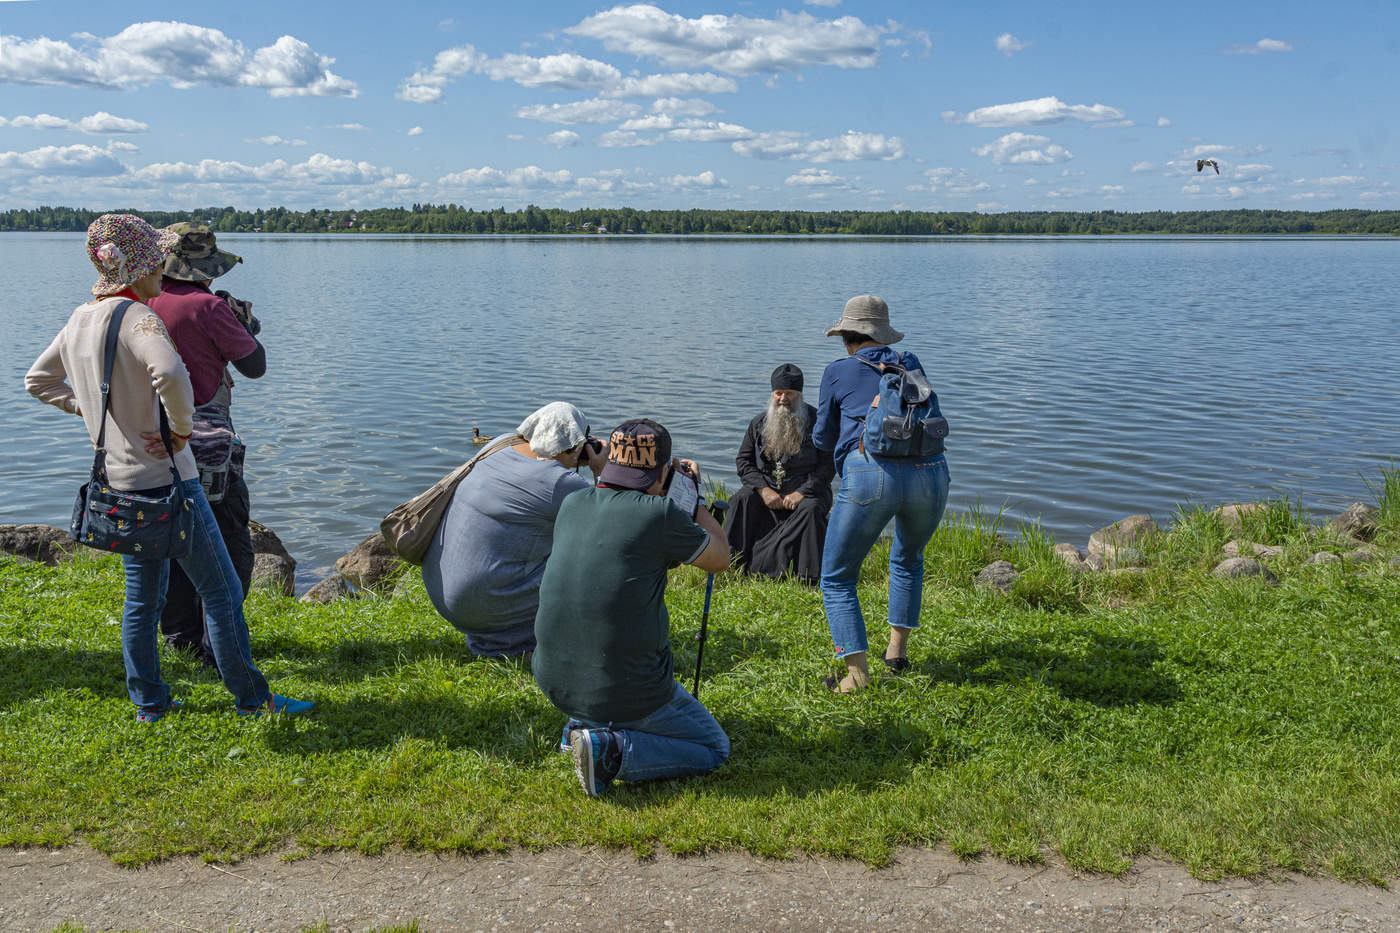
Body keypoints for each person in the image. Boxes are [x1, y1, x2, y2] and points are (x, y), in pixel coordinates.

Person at [24, 213, 311, 721]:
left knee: (142, 601)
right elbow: (170, 372)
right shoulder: (139, 317)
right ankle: (252, 700)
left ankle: (150, 703)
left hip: (119, 481)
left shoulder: (80, 318)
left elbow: (38, 381)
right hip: (172, 483)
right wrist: (177, 428)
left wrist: (93, 412)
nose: (163, 269)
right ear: (136, 266)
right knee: (221, 592)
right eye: (155, 259)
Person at [532, 419, 732, 797]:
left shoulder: (574, 503)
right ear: (662, 475)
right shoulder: (660, 515)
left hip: (553, 678)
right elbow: (720, 556)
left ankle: (579, 726)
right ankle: (611, 752)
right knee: (714, 747)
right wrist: (694, 497)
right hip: (627, 690)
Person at [813, 296, 951, 694]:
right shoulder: (910, 362)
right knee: (908, 557)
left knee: (837, 578)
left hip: (870, 473)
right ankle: (897, 652)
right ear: (882, 335)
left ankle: (856, 677)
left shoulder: (838, 371)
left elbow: (823, 437)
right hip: (931, 473)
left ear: (847, 337)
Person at [147, 222, 266, 670]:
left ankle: (182, 638)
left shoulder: (136, 302)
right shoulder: (209, 306)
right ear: (204, 268)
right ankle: (224, 643)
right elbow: (255, 365)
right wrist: (243, 323)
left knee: (173, 539)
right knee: (231, 542)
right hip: (206, 446)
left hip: (150, 441)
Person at [421, 402, 605, 659]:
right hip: (475, 603)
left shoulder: (497, 446)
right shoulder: (561, 483)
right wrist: (601, 471)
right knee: (592, 563)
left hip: (440, 589)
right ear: (576, 445)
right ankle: (514, 646)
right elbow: (609, 530)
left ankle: (500, 634)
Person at [725, 363, 835, 583]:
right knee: (741, 499)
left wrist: (801, 493)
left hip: (806, 493)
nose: (783, 398)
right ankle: (730, 563)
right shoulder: (758, 423)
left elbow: (827, 466)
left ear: (800, 394)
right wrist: (763, 490)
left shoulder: (818, 422)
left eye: (790, 393)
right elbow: (744, 462)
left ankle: (806, 577)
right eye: (778, 393)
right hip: (768, 492)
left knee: (811, 509)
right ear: (772, 394)